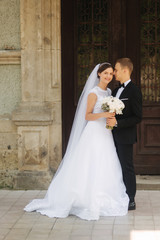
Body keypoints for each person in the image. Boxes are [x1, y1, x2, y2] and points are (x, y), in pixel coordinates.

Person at [24, 63, 129, 221]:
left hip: (105, 133)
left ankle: (105, 194)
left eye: (110, 74)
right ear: (99, 74)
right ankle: (82, 198)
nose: (108, 76)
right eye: (105, 73)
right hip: (94, 132)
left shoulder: (108, 91)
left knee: (105, 162)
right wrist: (103, 114)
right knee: (89, 163)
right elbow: (87, 116)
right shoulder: (93, 93)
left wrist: (111, 116)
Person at [107, 58, 142, 210]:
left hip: (125, 136)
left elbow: (137, 116)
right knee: (114, 166)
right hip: (111, 136)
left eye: (116, 69)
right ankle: (117, 195)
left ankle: (131, 199)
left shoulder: (134, 91)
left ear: (125, 70)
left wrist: (118, 123)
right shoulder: (115, 91)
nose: (114, 73)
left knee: (126, 166)